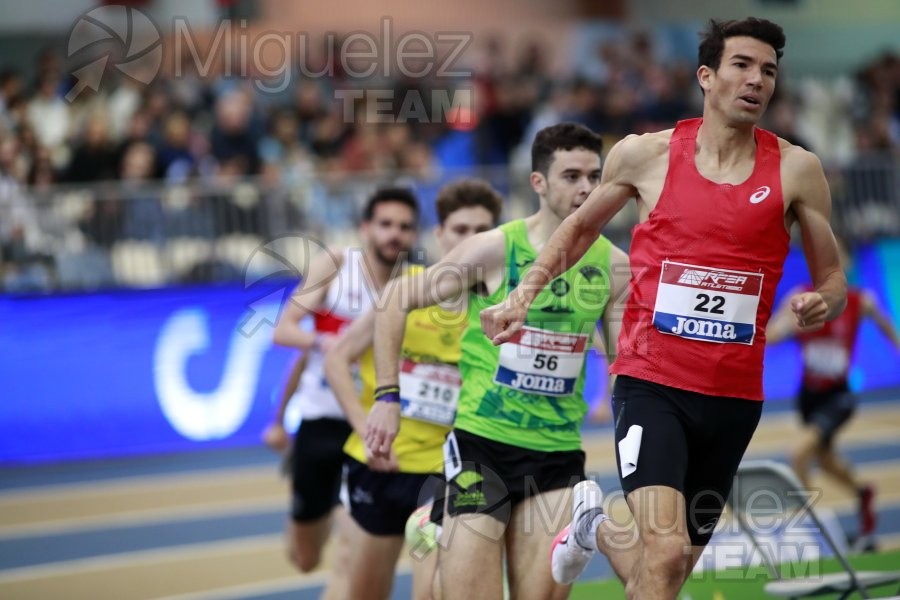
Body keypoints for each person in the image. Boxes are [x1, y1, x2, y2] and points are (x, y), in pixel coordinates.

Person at [480, 18, 848, 600]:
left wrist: (819, 302)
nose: (757, 80)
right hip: (652, 381)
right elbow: (577, 230)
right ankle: (600, 526)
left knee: (664, 574)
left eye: (769, 71)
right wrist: (522, 293)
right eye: (742, 65)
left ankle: (595, 526)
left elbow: (833, 279)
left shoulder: (798, 170)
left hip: (733, 397)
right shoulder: (644, 155)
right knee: (667, 549)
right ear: (706, 76)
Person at [366, 122, 631, 600]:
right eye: (572, 176)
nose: (587, 189)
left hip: (555, 457)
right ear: (538, 183)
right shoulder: (497, 248)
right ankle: (435, 522)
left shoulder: (613, 266)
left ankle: (439, 528)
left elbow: (621, 368)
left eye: (595, 177)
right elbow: (393, 301)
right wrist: (387, 397)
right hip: (481, 448)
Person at [324, 178, 503, 600]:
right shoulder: (403, 292)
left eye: (483, 232)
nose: (471, 242)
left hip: (449, 472)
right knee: (365, 592)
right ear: (439, 235)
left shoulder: (499, 307)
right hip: (382, 465)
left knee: (433, 592)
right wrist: (364, 425)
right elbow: (336, 357)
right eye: (461, 230)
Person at [271, 187, 418, 596]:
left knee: (351, 554)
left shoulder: (414, 287)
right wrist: (323, 344)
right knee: (305, 559)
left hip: (372, 426)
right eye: (386, 224)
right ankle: (304, 510)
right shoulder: (336, 264)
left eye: (405, 227)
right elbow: (283, 331)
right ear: (366, 228)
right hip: (321, 421)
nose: (395, 234)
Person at [767, 238, 900, 551]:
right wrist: (790, 327)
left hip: (839, 396)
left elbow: (887, 328)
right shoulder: (799, 297)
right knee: (824, 462)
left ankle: (814, 531)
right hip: (808, 396)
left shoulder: (860, 301)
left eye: (837, 259)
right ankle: (862, 493)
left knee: (799, 454)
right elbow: (770, 336)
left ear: (848, 266)